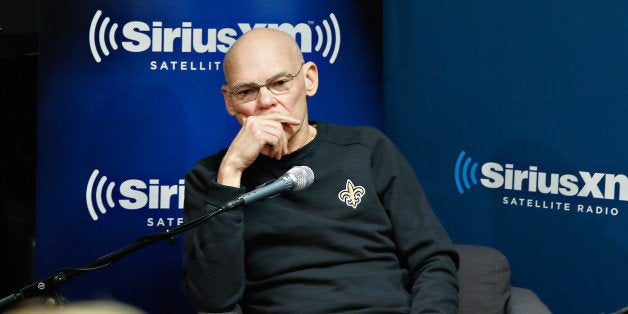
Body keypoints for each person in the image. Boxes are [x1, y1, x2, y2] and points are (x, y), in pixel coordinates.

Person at [182, 28, 459, 314]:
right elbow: (213, 300)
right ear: (230, 101)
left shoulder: (366, 149)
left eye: (279, 83)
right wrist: (231, 172)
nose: (265, 102)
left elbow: (432, 259)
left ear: (309, 79)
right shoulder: (209, 178)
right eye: (247, 91)